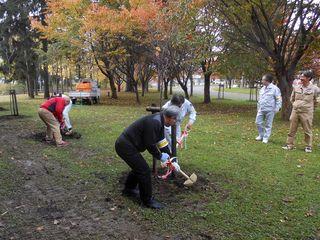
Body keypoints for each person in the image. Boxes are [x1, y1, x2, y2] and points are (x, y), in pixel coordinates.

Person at [115, 105, 181, 209]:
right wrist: (160, 156)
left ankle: (128, 190)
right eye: (175, 119)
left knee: (138, 168)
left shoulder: (160, 119)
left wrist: (171, 159)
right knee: (144, 170)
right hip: (125, 146)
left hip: (130, 145)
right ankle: (147, 201)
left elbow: (162, 142)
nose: (175, 122)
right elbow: (149, 144)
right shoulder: (155, 122)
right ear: (169, 117)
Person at [282, 70, 319, 153]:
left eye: (303, 77)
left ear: (309, 78)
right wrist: (295, 105)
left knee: (307, 130)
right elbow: (292, 98)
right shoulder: (296, 87)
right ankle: (289, 144)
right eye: (300, 76)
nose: (301, 78)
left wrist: (310, 108)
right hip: (295, 111)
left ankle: (308, 146)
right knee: (292, 129)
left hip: (307, 113)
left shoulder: (315, 89)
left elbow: (317, 101)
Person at [255, 74, 282, 143]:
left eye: (263, 80)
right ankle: (261, 135)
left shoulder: (275, 89)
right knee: (258, 122)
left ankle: (265, 138)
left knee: (268, 124)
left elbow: (278, 99)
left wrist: (277, 108)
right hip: (261, 108)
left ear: (267, 81)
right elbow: (260, 99)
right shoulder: (262, 88)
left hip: (270, 109)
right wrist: (258, 107)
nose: (262, 81)